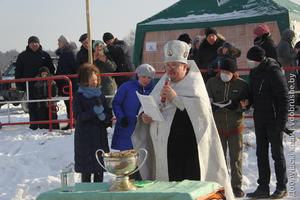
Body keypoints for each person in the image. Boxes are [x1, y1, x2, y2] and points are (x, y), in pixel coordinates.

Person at [132, 40, 235, 200]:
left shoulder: (194, 84)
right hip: (164, 151)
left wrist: (176, 99)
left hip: (188, 151)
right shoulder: (162, 83)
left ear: (185, 66)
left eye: (175, 65)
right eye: (168, 65)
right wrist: (145, 117)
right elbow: (151, 106)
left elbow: (201, 116)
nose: (170, 69)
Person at [246, 46, 289, 199]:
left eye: (251, 61)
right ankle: (263, 187)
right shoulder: (254, 71)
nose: (249, 63)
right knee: (261, 154)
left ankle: (282, 186)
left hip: (274, 119)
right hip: (260, 118)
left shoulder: (273, 71)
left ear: (258, 59)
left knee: (277, 154)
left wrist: (282, 121)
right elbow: (253, 93)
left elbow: (284, 97)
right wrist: (248, 102)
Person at [206, 58, 249, 198]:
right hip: (217, 126)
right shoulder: (212, 82)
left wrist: (238, 106)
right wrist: (211, 106)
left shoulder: (242, 84)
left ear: (233, 73)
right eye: (223, 71)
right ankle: (221, 186)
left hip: (235, 126)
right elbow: (206, 100)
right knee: (219, 158)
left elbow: (247, 105)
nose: (225, 74)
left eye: (228, 72)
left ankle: (236, 186)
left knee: (236, 157)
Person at [73, 63, 111, 182]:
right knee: (87, 169)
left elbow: (108, 115)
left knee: (99, 167)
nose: (95, 82)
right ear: (85, 80)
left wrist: (104, 117)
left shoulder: (100, 94)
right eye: (92, 79)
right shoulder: (79, 96)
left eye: (96, 79)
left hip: (99, 136)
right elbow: (78, 116)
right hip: (85, 137)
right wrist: (93, 112)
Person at [111, 63, 156, 151]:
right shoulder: (126, 87)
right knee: (127, 157)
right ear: (138, 76)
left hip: (144, 127)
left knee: (143, 155)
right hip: (127, 126)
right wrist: (121, 117)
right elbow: (116, 103)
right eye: (143, 76)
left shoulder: (153, 90)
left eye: (149, 78)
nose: (146, 80)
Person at [15, 36, 55, 130]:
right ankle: (33, 124)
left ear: (39, 43)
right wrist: (19, 84)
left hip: (43, 85)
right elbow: (18, 71)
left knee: (43, 104)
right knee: (32, 105)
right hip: (29, 85)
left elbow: (51, 69)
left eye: (36, 42)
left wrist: (50, 79)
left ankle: (44, 124)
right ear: (28, 44)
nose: (34, 44)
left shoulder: (45, 55)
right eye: (32, 43)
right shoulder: (22, 56)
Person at [55, 35, 78, 130]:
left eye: (59, 42)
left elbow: (75, 68)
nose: (58, 44)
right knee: (68, 104)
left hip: (70, 83)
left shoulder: (70, 54)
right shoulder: (63, 54)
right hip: (64, 83)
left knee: (71, 104)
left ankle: (74, 122)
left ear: (64, 43)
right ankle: (71, 122)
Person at [93, 40, 117, 112]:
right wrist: (94, 61)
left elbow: (113, 68)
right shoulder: (92, 56)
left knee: (108, 106)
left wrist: (106, 61)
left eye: (100, 47)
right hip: (96, 85)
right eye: (97, 47)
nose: (99, 49)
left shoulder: (107, 54)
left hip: (108, 85)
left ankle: (108, 122)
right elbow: (89, 70)